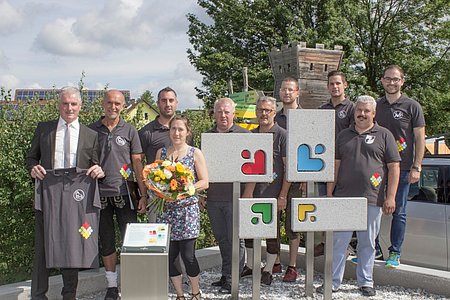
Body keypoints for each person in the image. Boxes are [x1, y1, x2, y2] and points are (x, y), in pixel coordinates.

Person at [27, 86, 105, 300]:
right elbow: (31, 157)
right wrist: (33, 168)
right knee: (43, 247)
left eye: (73, 104)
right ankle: (38, 295)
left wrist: (99, 170)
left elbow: (96, 164)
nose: (69, 108)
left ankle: (69, 295)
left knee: (72, 245)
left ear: (80, 106)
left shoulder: (91, 135)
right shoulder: (44, 129)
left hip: (76, 200)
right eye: (65, 103)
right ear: (59, 105)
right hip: (48, 196)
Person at [318, 95, 400, 297]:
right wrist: (329, 193)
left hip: (372, 198)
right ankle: (333, 282)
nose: (362, 114)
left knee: (368, 243)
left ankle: (366, 282)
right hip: (344, 198)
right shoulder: (344, 135)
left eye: (366, 111)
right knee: (339, 243)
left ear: (374, 113)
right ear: (354, 113)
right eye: (359, 111)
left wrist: (391, 197)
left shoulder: (385, 135)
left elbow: (394, 167)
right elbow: (335, 166)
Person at [89, 90, 147, 300]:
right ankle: (112, 286)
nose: (113, 107)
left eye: (118, 103)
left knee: (130, 241)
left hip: (126, 194)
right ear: (103, 104)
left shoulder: (130, 130)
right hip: (99, 195)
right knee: (106, 242)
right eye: (109, 103)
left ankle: (132, 283)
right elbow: (84, 162)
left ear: (123, 106)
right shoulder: (90, 130)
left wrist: (143, 194)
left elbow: (138, 163)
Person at [375, 65, 426, 268]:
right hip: (377, 168)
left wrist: (417, 166)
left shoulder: (412, 106)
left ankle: (395, 252)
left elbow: (420, 138)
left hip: (403, 168)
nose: (392, 82)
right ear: (382, 80)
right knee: (372, 208)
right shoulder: (376, 106)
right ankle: (373, 248)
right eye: (388, 79)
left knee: (399, 210)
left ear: (402, 81)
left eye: (396, 79)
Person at [155, 115, 209, 300]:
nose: (176, 133)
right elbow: (155, 179)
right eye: (173, 129)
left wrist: (188, 188)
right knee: (170, 256)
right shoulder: (161, 153)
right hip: (167, 212)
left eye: (180, 129)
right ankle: (179, 294)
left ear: (187, 132)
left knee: (188, 256)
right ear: (169, 131)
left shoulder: (195, 152)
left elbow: (205, 181)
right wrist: (157, 188)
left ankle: (195, 292)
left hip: (187, 211)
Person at [241, 96, 291, 286]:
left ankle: (268, 270)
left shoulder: (282, 135)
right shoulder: (251, 136)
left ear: (274, 112)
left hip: (273, 192)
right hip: (252, 192)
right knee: (249, 231)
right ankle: (251, 266)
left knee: (272, 233)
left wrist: (283, 195)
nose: (263, 114)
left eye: (267, 110)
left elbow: (288, 169)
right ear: (256, 112)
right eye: (261, 110)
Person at [206, 98, 250, 293]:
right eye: (219, 112)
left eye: (226, 112)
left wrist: (247, 194)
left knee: (236, 240)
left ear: (234, 114)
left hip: (236, 198)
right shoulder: (207, 137)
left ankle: (234, 279)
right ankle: (226, 275)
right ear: (214, 114)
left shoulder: (245, 135)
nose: (223, 116)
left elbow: (254, 170)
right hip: (214, 198)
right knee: (222, 239)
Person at [314, 70, 355, 257]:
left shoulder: (353, 109)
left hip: (345, 165)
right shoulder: (322, 109)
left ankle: (344, 245)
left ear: (345, 85)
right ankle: (326, 241)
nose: (335, 87)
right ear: (327, 86)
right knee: (324, 205)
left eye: (338, 83)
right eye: (331, 83)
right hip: (324, 165)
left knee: (342, 205)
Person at [274, 77, 304, 282]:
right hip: (276, 178)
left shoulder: (307, 118)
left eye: (290, 90)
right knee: (273, 222)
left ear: (297, 92)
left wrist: (305, 177)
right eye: (283, 89)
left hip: (298, 180)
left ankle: (292, 266)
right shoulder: (274, 119)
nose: (286, 93)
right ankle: (274, 260)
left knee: (293, 225)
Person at [139, 86, 179, 222]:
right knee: (157, 236)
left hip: (182, 194)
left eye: (171, 100)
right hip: (157, 195)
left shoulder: (184, 129)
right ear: (158, 103)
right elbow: (138, 164)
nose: (168, 104)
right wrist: (144, 195)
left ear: (176, 103)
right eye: (164, 100)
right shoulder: (146, 132)